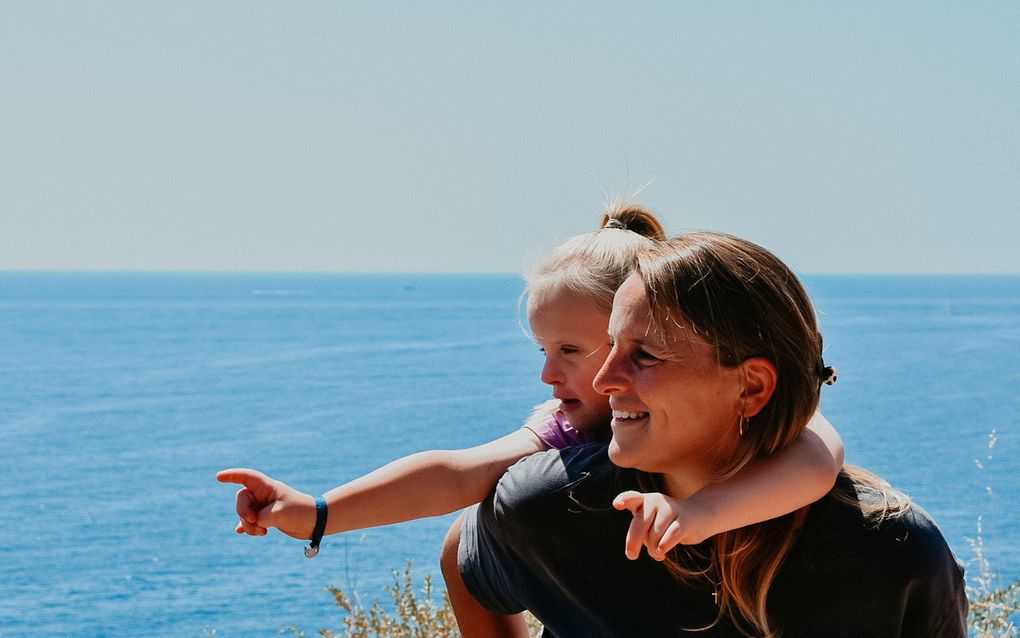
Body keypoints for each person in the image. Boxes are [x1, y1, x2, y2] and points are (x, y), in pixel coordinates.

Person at [217, 207, 845, 636]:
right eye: (543, 352)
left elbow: (817, 454)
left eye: (571, 351)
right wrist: (316, 513)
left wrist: (704, 512)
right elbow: (454, 474)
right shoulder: (564, 436)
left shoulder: (771, 434)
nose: (550, 375)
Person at [457, 231, 968, 637]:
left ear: (752, 387)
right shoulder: (554, 503)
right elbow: (467, 555)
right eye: (610, 345)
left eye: (645, 355)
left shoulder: (889, 550)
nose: (602, 379)